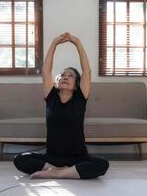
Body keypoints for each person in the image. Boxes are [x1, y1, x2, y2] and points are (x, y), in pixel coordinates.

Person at [14, 32, 109, 179]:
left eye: (70, 75)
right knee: (19, 159)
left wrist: (77, 43)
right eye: (63, 75)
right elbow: (46, 71)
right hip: (52, 158)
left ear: (76, 85)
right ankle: (65, 171)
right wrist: (54, 44)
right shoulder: (51, 97)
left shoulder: (80, 98)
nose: (65, 77)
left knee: (102, 164)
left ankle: (58, 173)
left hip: (78, 157)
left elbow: (87, 71)